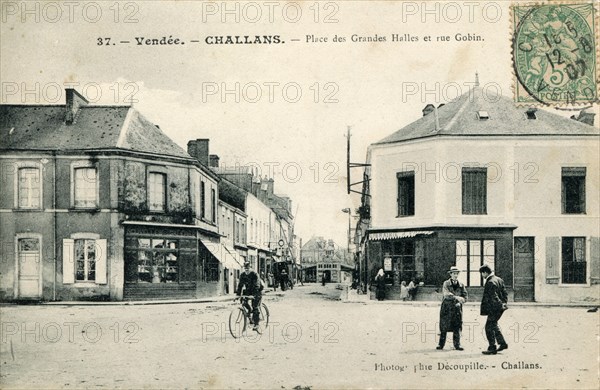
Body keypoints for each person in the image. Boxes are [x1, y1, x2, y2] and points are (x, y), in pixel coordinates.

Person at [479, 264, 508, 355]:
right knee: (493, 325)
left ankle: (492, 347)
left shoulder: (490, 282)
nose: (482, 276)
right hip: (500, 308)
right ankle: (502, 343)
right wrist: (503, 303)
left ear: (485, 272)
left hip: (494, 308)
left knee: (488, 327)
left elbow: (494, 297)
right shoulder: (499, 279)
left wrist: (500, 305)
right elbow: (505, 294)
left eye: (482, 274)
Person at [437, 266, 467, 351]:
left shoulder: (461, 285)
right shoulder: (446, 283)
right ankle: (441, 344)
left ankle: (457, 345)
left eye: (457, 274)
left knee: (457, 326)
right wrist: (457, 298)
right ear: (450, 274)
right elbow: (446, 295)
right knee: (444, 326)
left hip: (457, 308)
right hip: (446, 307)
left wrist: (463, 300)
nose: (455, 275)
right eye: (454, 274)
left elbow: (465, 296)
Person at [236, 261, 264, 332]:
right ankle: (250, 310)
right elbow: (240, 285)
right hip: (248, 290)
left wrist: (253, 295)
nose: (246, 271)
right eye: (245, 269)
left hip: (257, 291)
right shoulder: (242, 275)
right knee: (243, 301)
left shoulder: (254, 274)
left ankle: (256, 324)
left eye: (248, 269)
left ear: (251, 268)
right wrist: (238, 295)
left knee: (255, 306)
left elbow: (257, 285)